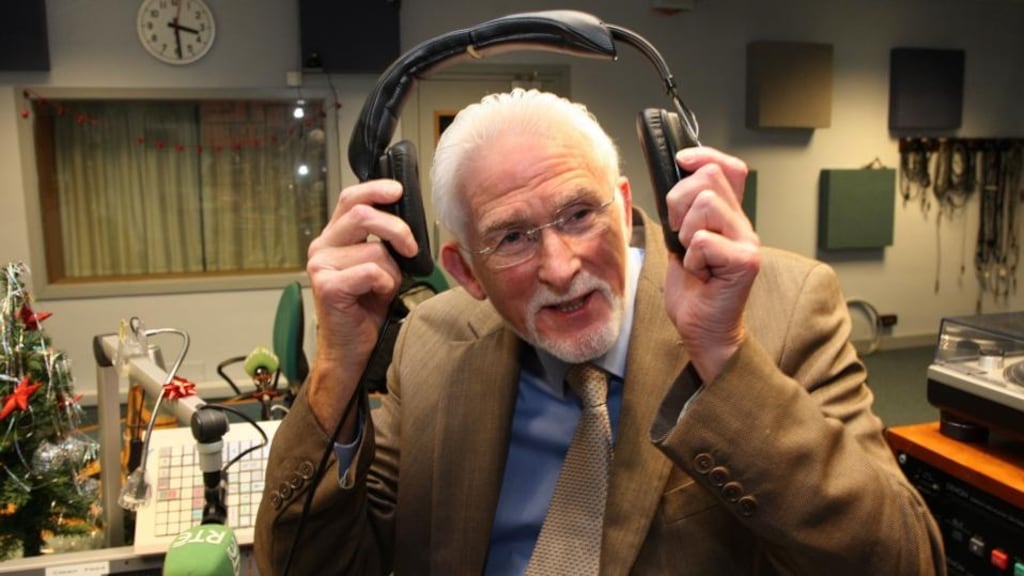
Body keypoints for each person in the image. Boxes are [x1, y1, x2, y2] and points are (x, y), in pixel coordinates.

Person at [254, 89, 945, 575]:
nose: (562, 267)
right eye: (514, 238)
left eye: (579, 214)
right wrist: (337, 367)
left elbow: (905, 562)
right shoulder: (432, 343)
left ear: (621, 203)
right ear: (464, 270)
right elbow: (310, 567)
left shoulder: (786, 308)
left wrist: (724, 359)